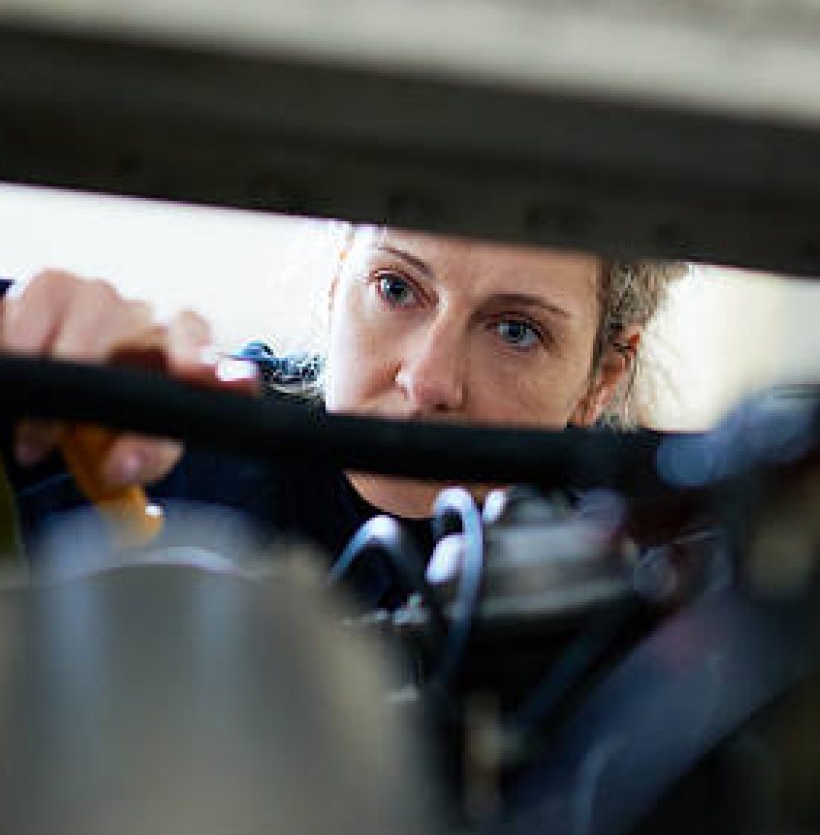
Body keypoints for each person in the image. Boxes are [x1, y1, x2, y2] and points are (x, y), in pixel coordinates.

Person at [1, 224, 683, 604]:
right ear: (336, 283)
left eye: (516, 332)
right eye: (395, 288)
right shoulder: (154, 440)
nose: (427, 381)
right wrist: (38, 342)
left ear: (604, 377)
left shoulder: (634, 595)